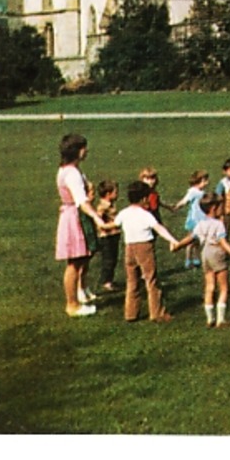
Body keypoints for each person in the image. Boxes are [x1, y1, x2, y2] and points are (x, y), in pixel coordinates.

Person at [116, 178, 193, 323]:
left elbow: (113, 224)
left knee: (132, 280)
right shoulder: (146, 215)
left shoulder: (124, 213)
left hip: (129, 248)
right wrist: (173, 240)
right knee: (151, 280)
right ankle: (157, 313)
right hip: (144, 247)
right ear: (144, 198)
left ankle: (130, 313)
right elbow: (159, 228)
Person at [55, 134, 111, 318]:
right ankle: (72, 305)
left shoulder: (70, 170)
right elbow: (81, 202)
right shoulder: (72, 174)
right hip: (74, 217)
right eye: (84, 148)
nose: (86, 151)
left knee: (82, 258)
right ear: (78, 151)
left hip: (74, 214)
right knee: (74, 262)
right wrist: (97, 218)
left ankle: (80, 293)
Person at [192, 193, 230, 326]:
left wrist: (177, 245)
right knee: (224, 287)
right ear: (214, 208)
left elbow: (191, 238)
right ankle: (221, 319)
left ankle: (210, 318)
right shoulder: (219, 224)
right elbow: (223, 243)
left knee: (209, 286)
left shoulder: (200, 224)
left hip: (205, 253)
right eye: (221, 205)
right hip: (217, 253)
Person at [173, 170, 211, 270]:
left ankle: (196, 258)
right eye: (205, 181)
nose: (207, 183)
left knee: (197, 240)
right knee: (190, 240)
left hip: (201, 219)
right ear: (200, 181)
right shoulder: (193, 192)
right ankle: (188, 259)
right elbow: (185, 201)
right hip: (194, 220)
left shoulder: (202, 192)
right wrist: (177, 206)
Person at [93, 179, 122, 294]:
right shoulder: (102, 207)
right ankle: (105, 281)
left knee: (113, 258)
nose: (117, 194)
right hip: (107, 236)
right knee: (108, 259)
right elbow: (98, 219)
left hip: (114, 235)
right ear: (108, 194)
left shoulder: (110, 205)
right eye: (115, 192)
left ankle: (109, 279)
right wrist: (104, 227)